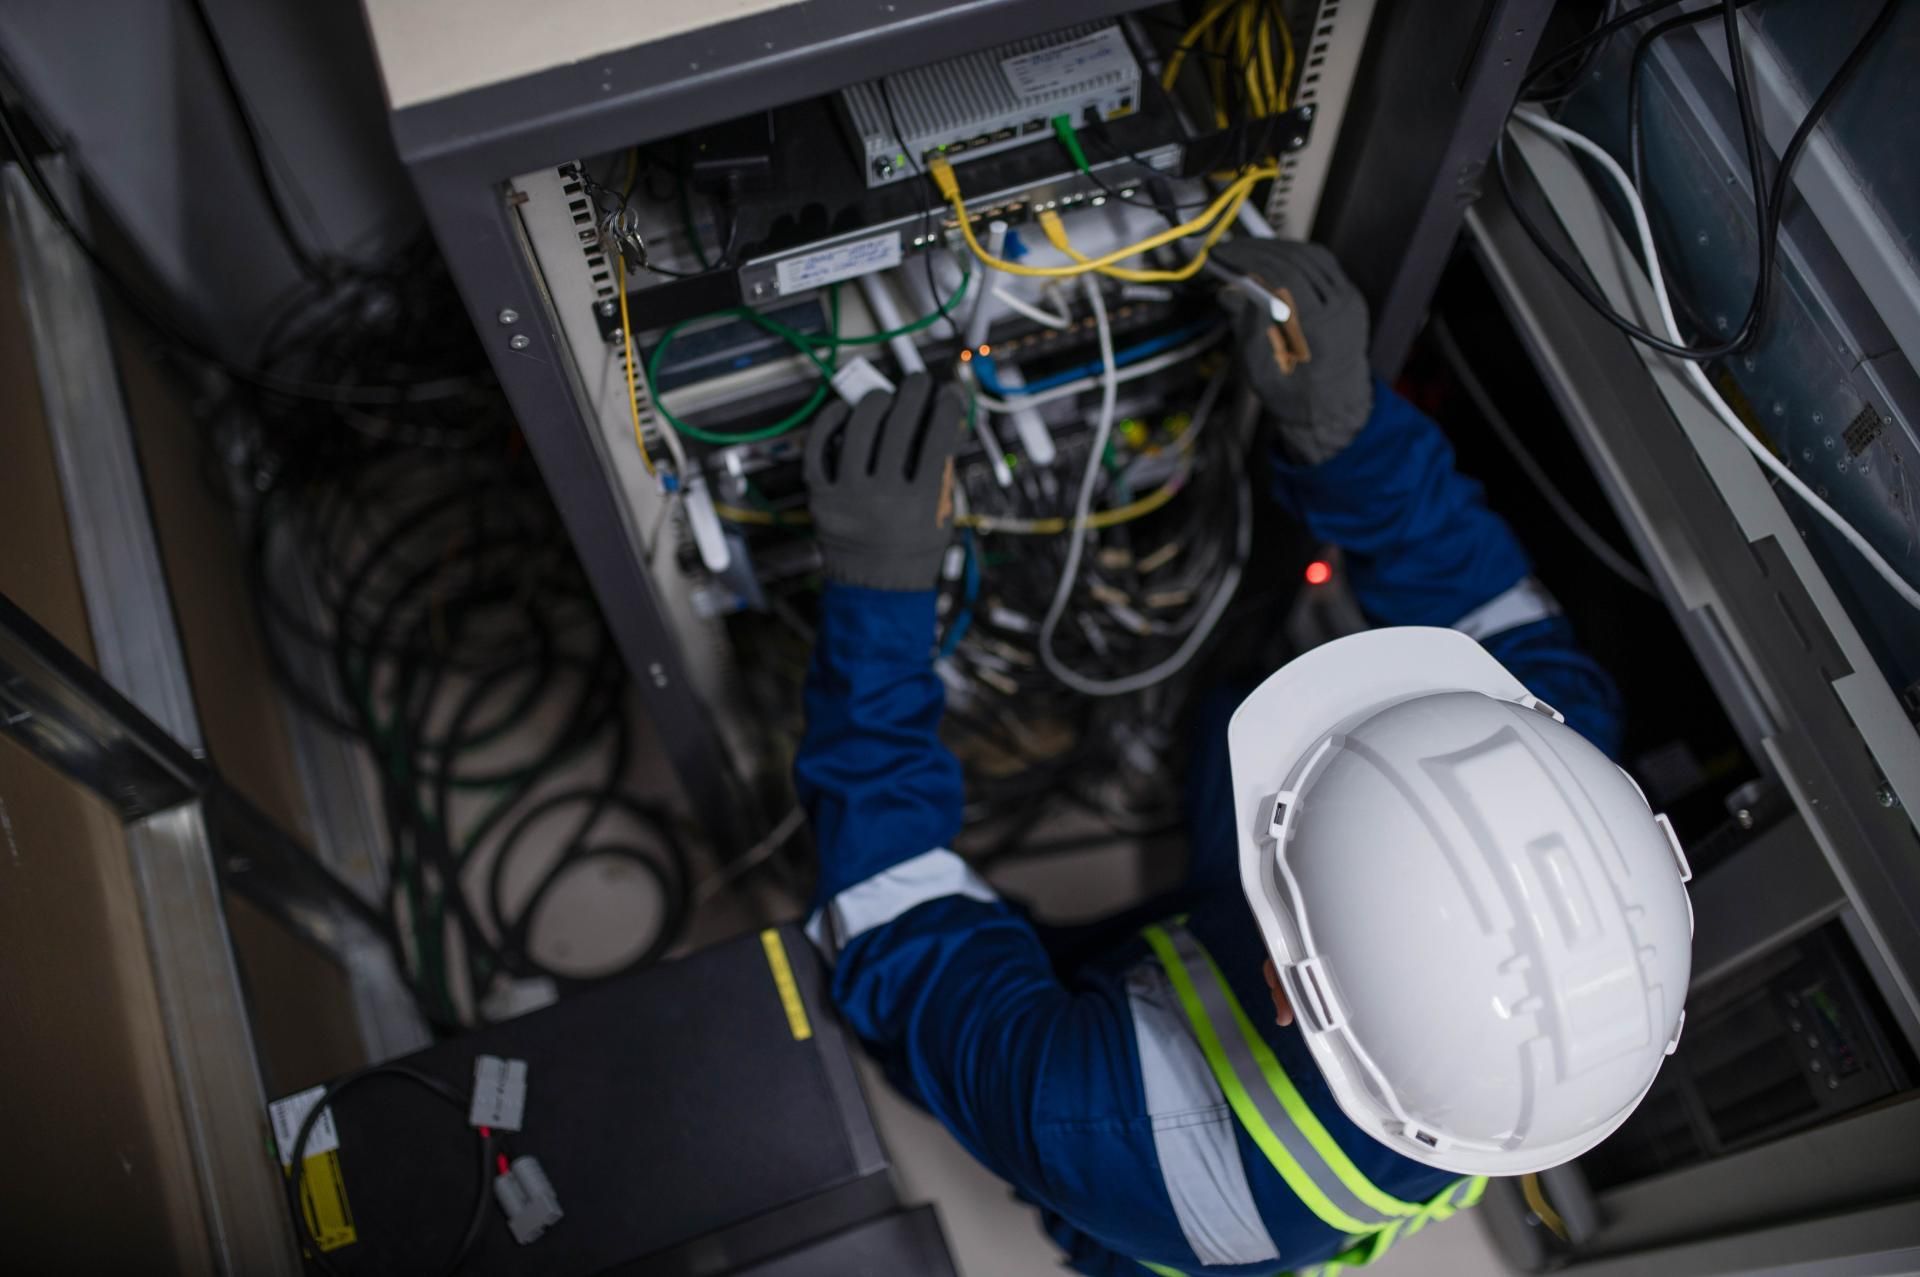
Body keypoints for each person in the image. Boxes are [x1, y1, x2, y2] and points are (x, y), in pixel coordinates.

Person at [793, 240, 1694, 1277]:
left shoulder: (1096, 1118)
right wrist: (1347, 434)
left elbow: (882, 897)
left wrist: (879, 592)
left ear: (1279, 981)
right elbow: (1501, 625)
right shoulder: (1551, 814)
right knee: (1227, 717)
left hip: (1133, 1183)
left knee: (928, 1010)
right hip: (1274, 1035)